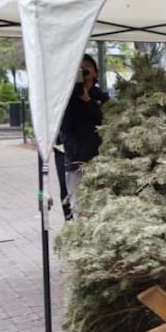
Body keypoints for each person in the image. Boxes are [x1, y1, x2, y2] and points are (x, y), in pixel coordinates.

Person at [59, 54, 108, 215]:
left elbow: (107, 120)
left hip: (101, 161)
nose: (83, 69)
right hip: (77, 162)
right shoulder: (65, 98)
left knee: (101, 209)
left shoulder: (101, 97)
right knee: (80, 209)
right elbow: (63, 128)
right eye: (79, 67)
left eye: (87, 66)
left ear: (95, 71)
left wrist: (88, 101)